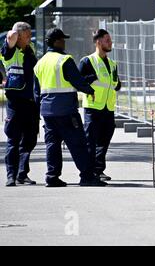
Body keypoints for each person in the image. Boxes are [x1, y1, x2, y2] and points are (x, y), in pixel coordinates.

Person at [34, 28, 107, 187]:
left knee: (52, 145)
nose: (64, 42)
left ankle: (52, 177)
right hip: (66, 110)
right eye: (62, 39)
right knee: (78, 144)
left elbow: (36, 91)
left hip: (48, 111)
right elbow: (77, 81)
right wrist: (90, 90)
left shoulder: (40, 63)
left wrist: (38, 110)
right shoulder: (64, 60)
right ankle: (87, 177)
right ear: (55, 42)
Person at [1, 22, 39, 186]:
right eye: (28, 35)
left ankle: (22, 174)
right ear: (19, 36)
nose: (30, 38)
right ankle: (11, 175)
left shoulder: (30, 51)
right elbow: (11, 36)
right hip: (16, 103)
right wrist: (15, 32)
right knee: (13, 140)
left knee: (30, 140)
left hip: (31, 102)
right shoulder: (9, 51)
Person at [79, 29, 121, 181]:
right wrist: (91, 88)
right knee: (90, 142)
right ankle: (88, 172)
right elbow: (80, 81)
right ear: (98, 42)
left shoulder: (112, 63)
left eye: (110, 40)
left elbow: (116, 84)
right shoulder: (87, 61)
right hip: (93, 107)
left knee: (104, 142)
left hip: (108, 108)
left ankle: (98, 170)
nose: (110, 43)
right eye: (107, 40)